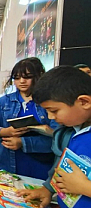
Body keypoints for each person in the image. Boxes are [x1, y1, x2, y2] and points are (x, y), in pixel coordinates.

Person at [17, 66, 91, 208]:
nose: (51, 117)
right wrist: (48, 190)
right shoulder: (72, 130)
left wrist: (84, 187)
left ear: (84, 102)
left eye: (54, 111)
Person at [0, 58, 57, 180]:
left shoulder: (47, 103)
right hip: (5, 160)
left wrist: (23, 143)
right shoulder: (4, 101)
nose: (22, 81)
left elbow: (58, 138)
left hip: (39, 163)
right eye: (17, 77)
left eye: (27, 77)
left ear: (37, 76)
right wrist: (4, 132)